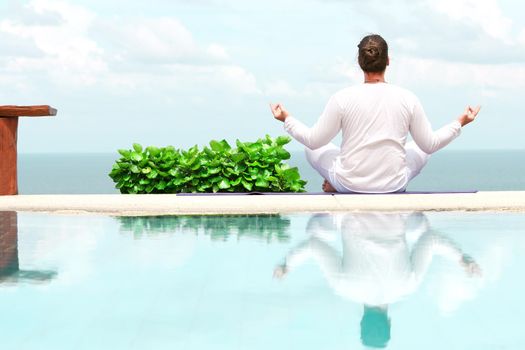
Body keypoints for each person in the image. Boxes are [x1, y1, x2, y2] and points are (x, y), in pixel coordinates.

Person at [270, 34, 481, 193]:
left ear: (360, 63)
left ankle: (336, 184)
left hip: (349, 183)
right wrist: (460, 122)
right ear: (388, 61)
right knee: (421, 145)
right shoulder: (408, 97)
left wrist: (286, 119)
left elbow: (314, 141)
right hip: (393, 185)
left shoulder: (342, 97)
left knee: (312, 148)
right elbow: (430, 144)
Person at [273, 212, 482, 348]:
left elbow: (432, 239)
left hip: (395, 209)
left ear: (389, 322)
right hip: (351, 210)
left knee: (420, 227)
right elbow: (313, 245)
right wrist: (287, 265)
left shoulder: (408, 285)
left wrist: (463, 260)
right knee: (318, 229)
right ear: (361, 321)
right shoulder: (344, 287)